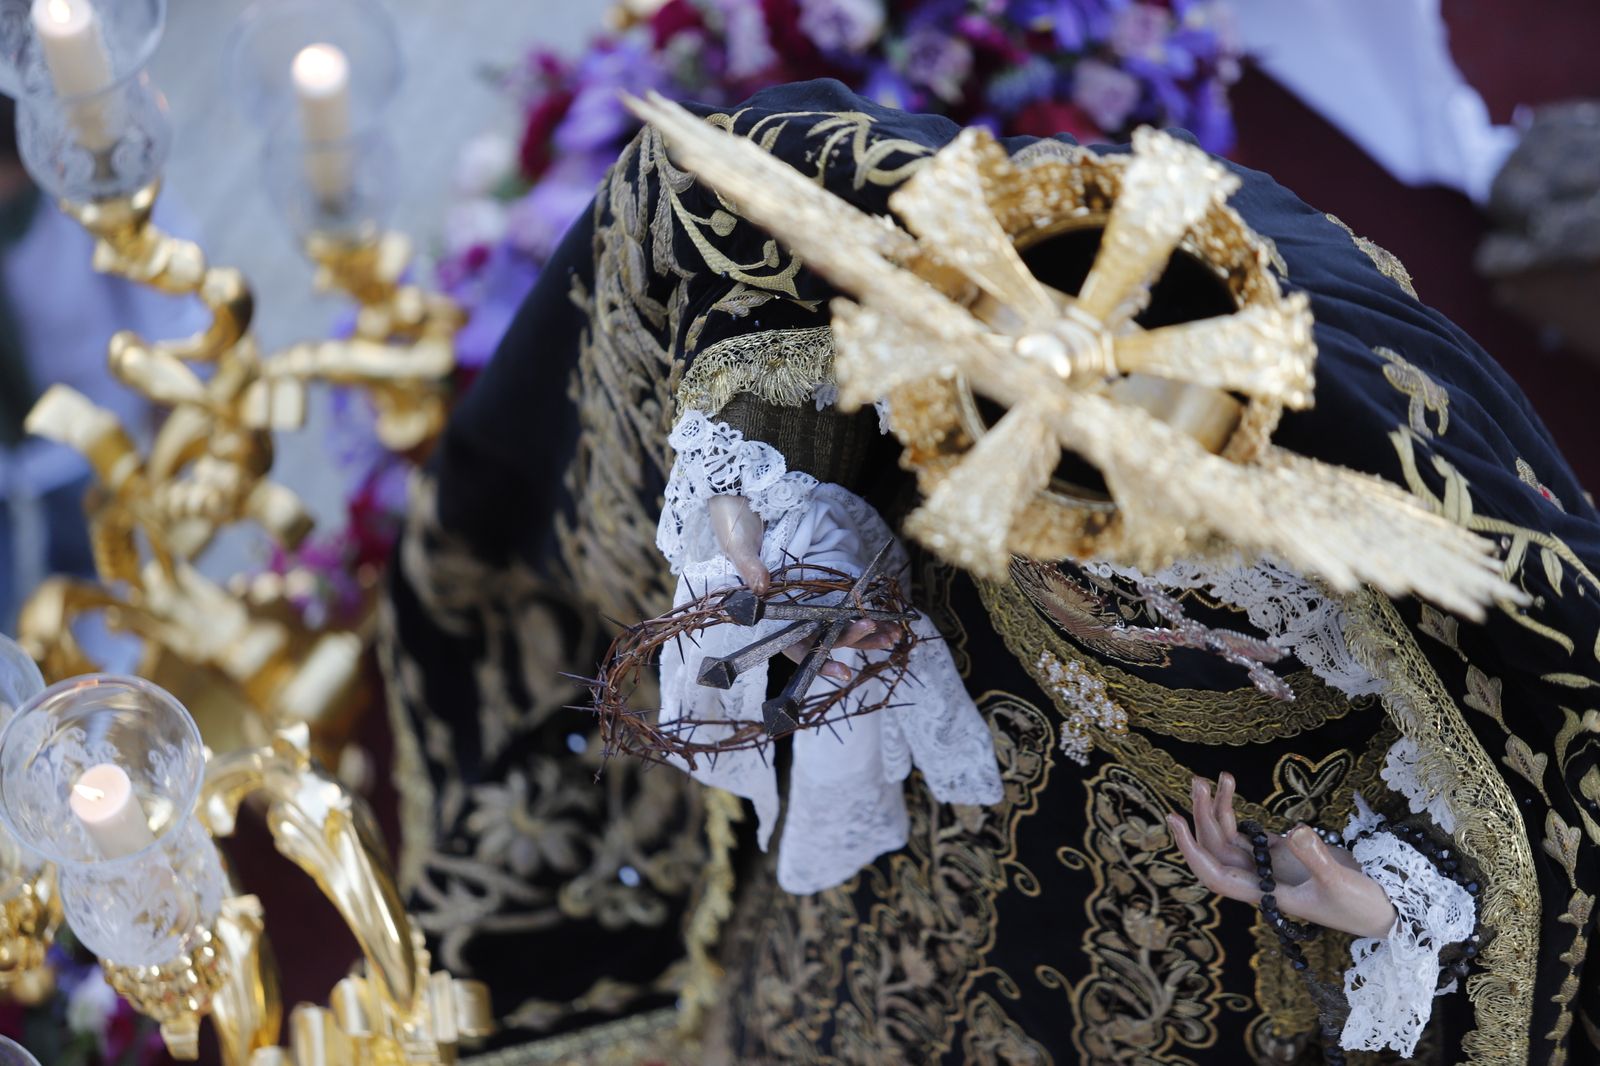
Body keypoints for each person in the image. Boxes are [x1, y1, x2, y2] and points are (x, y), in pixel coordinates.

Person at [381, 80, 1600, 1063]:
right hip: (908, 852)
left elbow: (1533, 843)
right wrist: (771, 552)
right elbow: (772, 360)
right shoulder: (960, 358)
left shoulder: (1360, 578)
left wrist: (1372, 903)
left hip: (1188, 963)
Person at [0, 98, 204, 635]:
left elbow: (165, 302)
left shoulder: (79, 191)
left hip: (80, 437)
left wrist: (172, 403)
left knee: (84, 560)